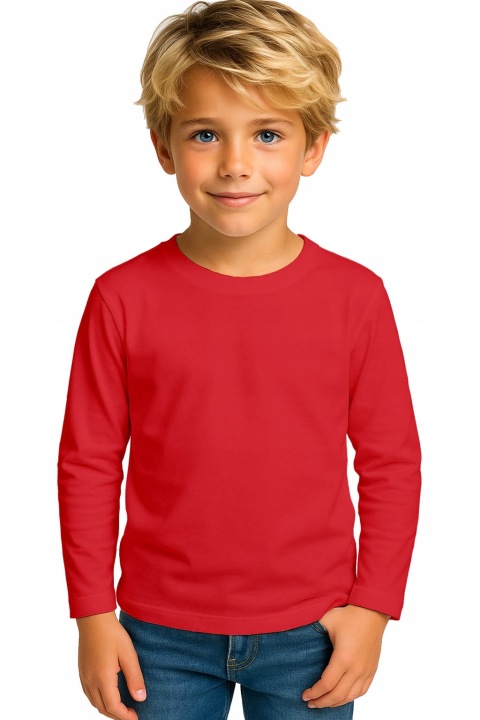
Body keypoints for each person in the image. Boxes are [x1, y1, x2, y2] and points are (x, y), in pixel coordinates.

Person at [56, 1, 422, 718]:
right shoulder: (120, 297)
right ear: (163, 146)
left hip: (314, 631)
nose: (235, 164)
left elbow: (391, 462)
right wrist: (92, 614)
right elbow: (88, 462)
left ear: (313, 147)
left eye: (267, 133)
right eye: (204, 134)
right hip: (157, 635)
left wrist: (375, 607)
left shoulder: (357, 297)